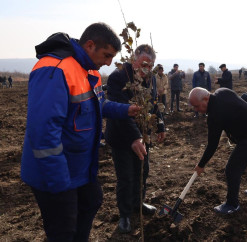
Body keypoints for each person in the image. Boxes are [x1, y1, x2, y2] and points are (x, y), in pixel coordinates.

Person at [20, 22, 140, 241]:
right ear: (90, 45)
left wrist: (126, 110)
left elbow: (96, 105)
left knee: (92, 201)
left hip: (80, 168)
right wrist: (60, 185)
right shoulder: (55, 69)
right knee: (63, 229)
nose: (108, 63)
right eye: (106, 55)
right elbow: (44, 133)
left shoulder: (89, 70)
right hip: (55, 172)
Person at [105, 44, 166, 233]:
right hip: (123, 136)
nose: (147, 68)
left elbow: (153, 103)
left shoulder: (152, 78)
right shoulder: (119, 76)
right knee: (126, 177)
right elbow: (120, 110)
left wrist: (160, 125)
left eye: (151, 64)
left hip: (143, 135)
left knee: (143, 171)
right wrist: (134, 137)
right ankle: (124, 214)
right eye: (144, 64)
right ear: (134, 58)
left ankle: (138, 204)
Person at [189, 87, 247, 215]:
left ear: (206, 98)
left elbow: (212, 145)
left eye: (197, 106)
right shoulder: (222, 91)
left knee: (232, 169)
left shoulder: (214, 114)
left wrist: (201, 164)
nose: (196, 110)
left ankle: (232, 204)